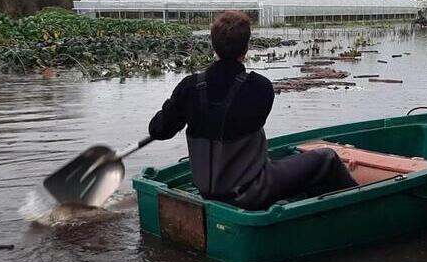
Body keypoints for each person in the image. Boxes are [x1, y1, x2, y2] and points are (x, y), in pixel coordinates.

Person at [148, 11, 357, 210]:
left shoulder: (189, 86)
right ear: (246, 48)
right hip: (249, 193)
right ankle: (357, 205)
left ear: (213, 45)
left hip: (206, 191)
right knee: (327, 158)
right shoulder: (260, 87)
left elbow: (159, 130)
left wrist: (179, 108)